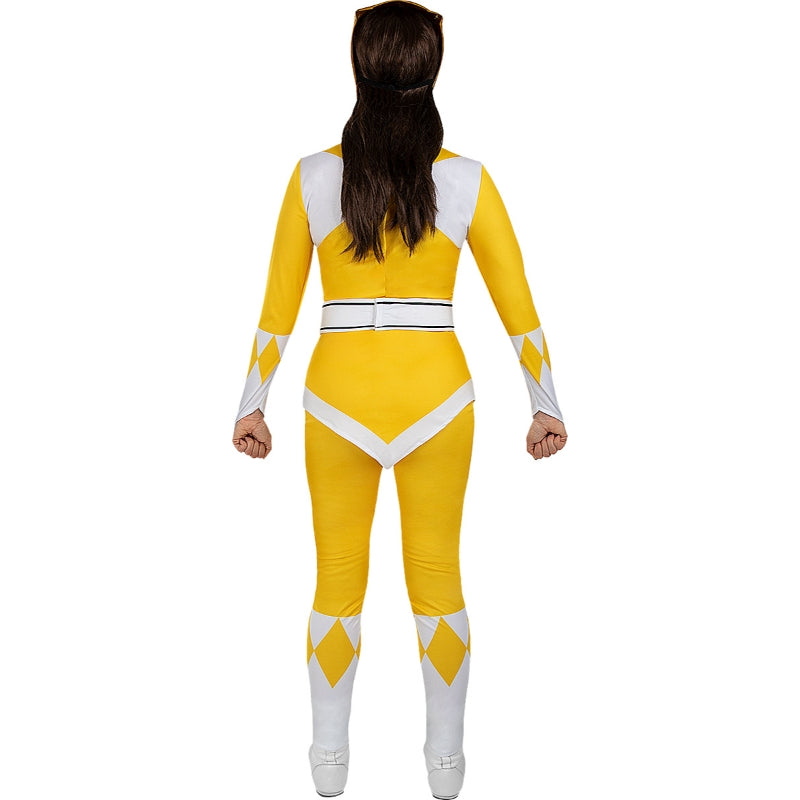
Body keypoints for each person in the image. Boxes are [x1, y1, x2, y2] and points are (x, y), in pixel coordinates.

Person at [231, 2, 568, 796]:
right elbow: (517, 301)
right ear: (432, 66)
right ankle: (445, 766)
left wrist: (252, 403)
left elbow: (277, 307)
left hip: (334, 402)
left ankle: (328, 763)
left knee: (336, 581)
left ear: (358, 63)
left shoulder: (312, 176)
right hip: (439, 402)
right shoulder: (467, 180)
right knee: (439, 579)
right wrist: (546, 403)